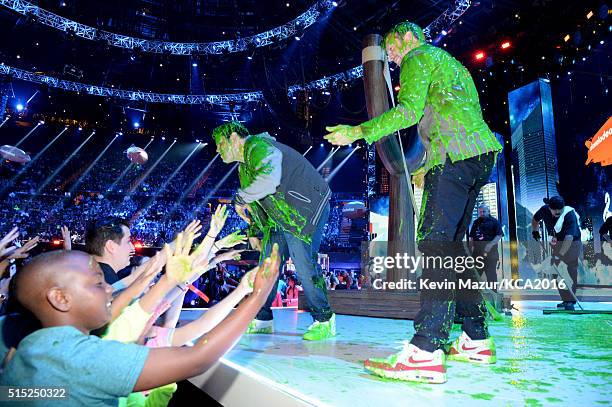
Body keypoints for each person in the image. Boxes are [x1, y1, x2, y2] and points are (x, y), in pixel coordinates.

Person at [325, 21, 502, 383]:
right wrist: (430, 163)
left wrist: (358, 131)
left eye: (392, 49)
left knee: (434, 245)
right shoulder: (451, 64)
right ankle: (476, 338)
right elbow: (452, 116)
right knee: (453, 250)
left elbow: (407, 112)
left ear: (408, 37)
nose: (392, 58)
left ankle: (426, 349)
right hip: (479, 156)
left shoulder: (418, 56)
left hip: (455, 158)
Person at [0, 245, 280, 406]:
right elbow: (197, 359)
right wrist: (257, 296)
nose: (110, 290)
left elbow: (52, 391)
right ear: (60, 298)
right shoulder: (82, 359)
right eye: (98, 284)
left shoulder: (27, 350)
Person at [212, 121, 336, 341]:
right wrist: (253, 232)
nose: (217, 149)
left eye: (219, 143)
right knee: (267, 266)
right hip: (280, 217)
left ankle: (325, 320)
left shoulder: (258, 146)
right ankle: (263, 319)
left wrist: (239, 199)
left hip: (305, 210)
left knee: (304, 263)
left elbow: (267, 182)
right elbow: (255, 203)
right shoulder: (244, 167)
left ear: (233, 138)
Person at [531, 196, 582, 310]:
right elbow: (535, 220)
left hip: (572, 243)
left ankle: (571, 301)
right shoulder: (544, 210)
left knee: (569, 269)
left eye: (560, 209)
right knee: (556, 270)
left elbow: (569, 237)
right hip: (557, 243)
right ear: (549, 208)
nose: (558, 212)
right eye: (555, 209)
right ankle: (565, 299)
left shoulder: (569, 214)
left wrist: (560, 256)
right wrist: (535, 231)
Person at [469, 204, 503, 290]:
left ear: (488, 211)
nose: (482, 213)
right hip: (477, 253)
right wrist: (471, 249)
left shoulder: (495, 222)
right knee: (475, 275)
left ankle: (494, 296)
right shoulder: (476, 222)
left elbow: (499, 235)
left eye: (484, 211)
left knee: (491, 275)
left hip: (491, 254)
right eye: (480, 212)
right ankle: (473, 296)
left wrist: (490, 244)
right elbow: (472, 236)